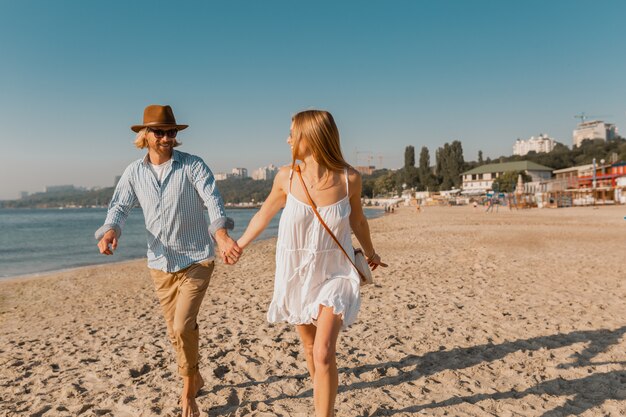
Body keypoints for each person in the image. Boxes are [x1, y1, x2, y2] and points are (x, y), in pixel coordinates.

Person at [236, 110, 387, 416]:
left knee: (323, 351)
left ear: (311, 137)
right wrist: (238, 246)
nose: (287, 139)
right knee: (308, 348)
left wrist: (370, 254)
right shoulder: (286, 177)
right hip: (297, 273)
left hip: (336, 273)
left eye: (293, 132)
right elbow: (263, 215)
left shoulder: (350, 179)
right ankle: (323, 405)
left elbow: (358, 220)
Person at [94, 104, 242, 417]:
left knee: (182, 325)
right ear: (144, 135)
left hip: (197, 260)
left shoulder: (192, 166)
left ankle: (188, 392)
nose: (166, 137)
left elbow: (213, 202)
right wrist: (109, 231)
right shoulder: (134, 172)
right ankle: (196, 374)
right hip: (159, 265)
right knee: (177, 333)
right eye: (159, 132)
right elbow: (119, 207)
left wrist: (222, 235)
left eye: (171, 132)